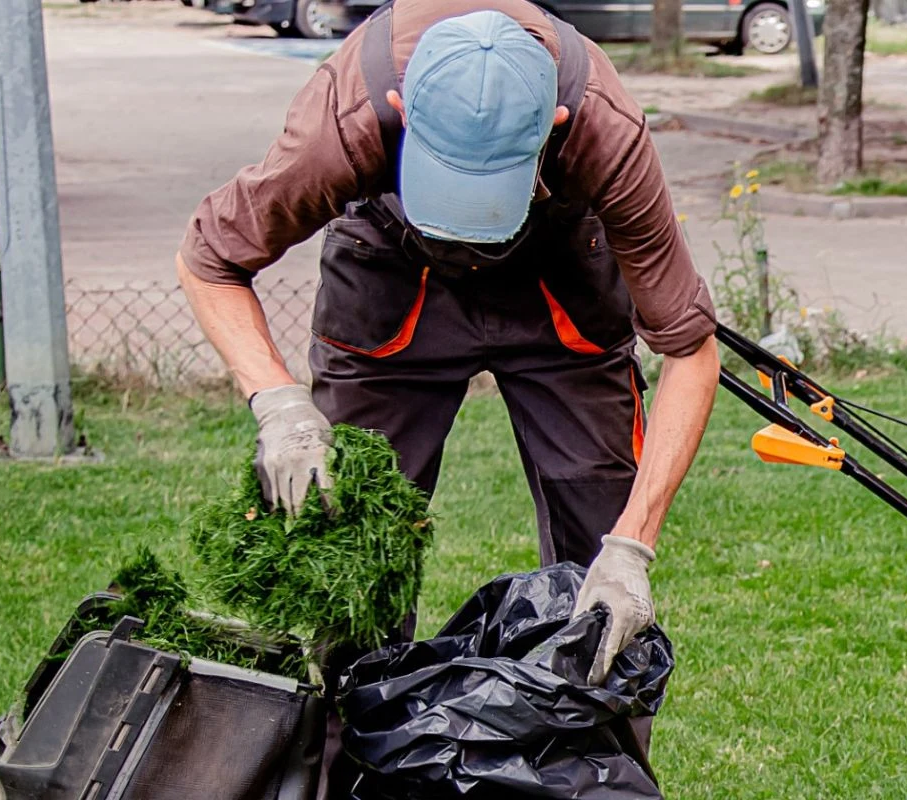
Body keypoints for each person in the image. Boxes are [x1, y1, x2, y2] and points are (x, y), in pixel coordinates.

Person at [178, 0, 719, 793]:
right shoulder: (348, 115)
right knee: (352, 555)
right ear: (400, 112)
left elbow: (688, 348)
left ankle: (596, 777)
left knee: (603, 589)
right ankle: (343, 779)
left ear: (555, 122)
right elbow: (210, 259)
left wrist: (632, 548)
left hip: (559, 281)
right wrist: (280, 406)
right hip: (394, 278)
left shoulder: (603, 127)